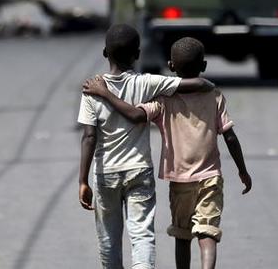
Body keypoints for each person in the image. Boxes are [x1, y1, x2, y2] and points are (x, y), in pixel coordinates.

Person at [82, 37, 252, 269]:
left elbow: (134, 115)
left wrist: (105, 93)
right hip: (210, 176)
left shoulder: (163, 100)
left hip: (179, 179)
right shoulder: (213, 95)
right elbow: (229, 136)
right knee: (207, 231)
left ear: (171, 66)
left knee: (182, 234)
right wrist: (242, 170)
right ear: (203, 66)